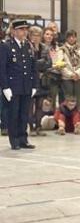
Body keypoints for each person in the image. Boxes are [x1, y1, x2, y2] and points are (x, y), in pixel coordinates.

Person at [0, 20, 38, 150]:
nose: (24, 32)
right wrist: (5, 87)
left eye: (25, 29)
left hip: (26, 86)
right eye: (21, 29)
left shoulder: (28, 46)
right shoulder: (6, 46)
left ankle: (23, 139)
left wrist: (34, 85)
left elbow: (34, 67)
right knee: (14, 114)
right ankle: (14, 140)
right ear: (14, 31)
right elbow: (2, 69)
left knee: (24, 114)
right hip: (13, 87)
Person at [29, 26, 52, 136]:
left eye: (38, 35)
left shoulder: (45, 48)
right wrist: (39, 64)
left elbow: (49, 63)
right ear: (30, 36)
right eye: (34, 35)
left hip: (42, 80)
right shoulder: (27, 47)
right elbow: (29, 64)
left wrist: (40, 67)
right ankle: (31, 127)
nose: (36, 37)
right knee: (30, 105)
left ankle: (38, 126)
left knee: (40, 105)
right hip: (30, 80)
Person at [56, 30, 80, 103]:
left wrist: (77, 73)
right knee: (68, 98)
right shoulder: (61, 49)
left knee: (77, 98)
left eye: (73, 37)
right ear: (66, 38)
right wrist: (71, 75)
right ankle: (67, 114)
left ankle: (77, 114)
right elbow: (60, 64)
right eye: (69, 37)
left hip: (79, 77)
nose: (71, 39)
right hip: (67, 77)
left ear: (76, 38)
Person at [41, 28, 62, 106]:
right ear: (43, 35)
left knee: (52, 100)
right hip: (40, 77)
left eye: (51, 35)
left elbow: (55, 62)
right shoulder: (38, 46)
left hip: (52, 77)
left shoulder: (54, 48)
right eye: (47, 34)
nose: (49, 36)